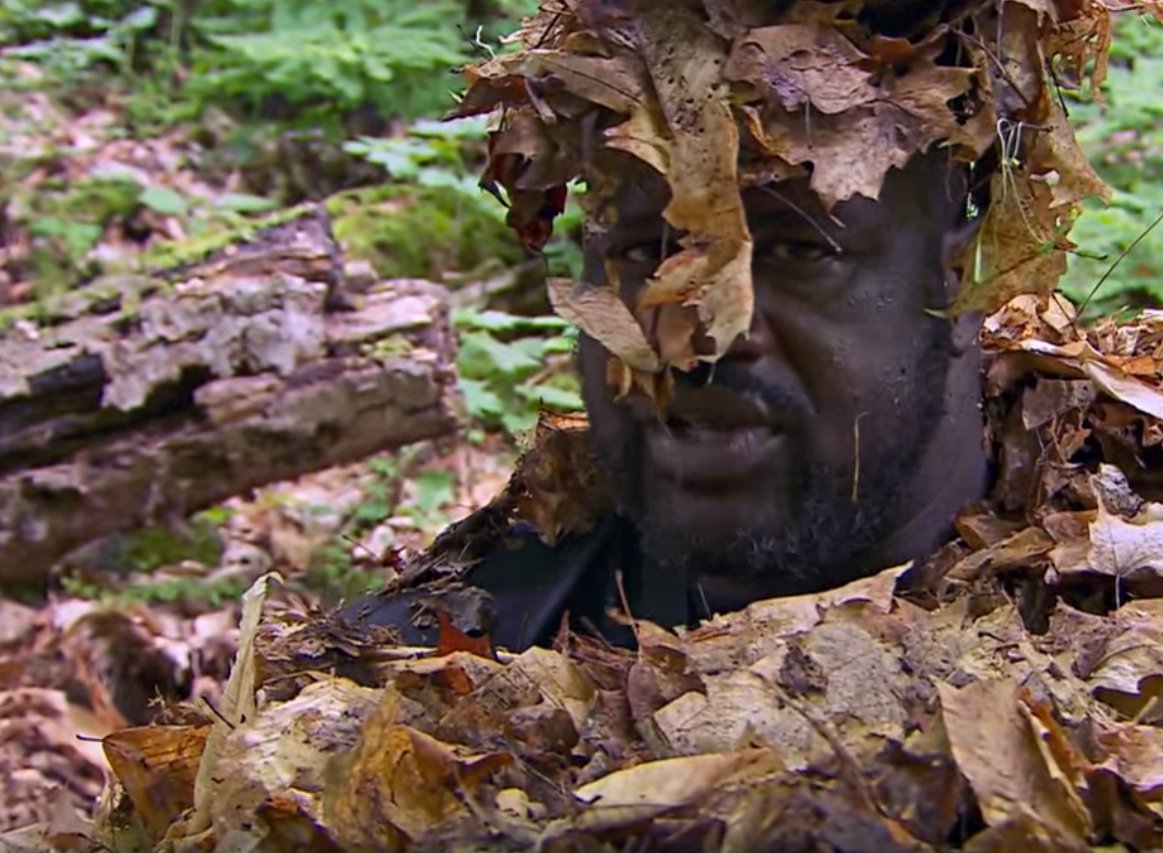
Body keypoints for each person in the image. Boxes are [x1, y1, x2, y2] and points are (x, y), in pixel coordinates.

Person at [342, 144, 994, 651]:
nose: (695, 336)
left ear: (961, 285)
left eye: (795, 250)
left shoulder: (1091, 695)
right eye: (642, 254)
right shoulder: (428, 671)